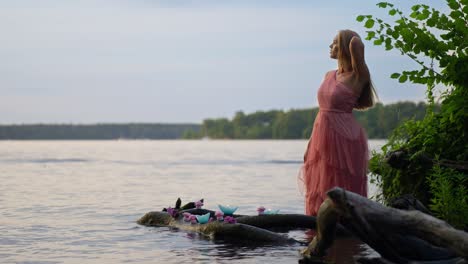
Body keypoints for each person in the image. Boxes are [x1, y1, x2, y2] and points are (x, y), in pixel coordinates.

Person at [298, 29, 378, 216]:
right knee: (320, 185)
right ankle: (318, 230)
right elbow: (322, 113)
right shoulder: (328, 75)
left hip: (345, 137)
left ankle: (348, 233)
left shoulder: (358, 75)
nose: (330, 46)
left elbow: (357, 43)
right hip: (321, 136)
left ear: (344, 47)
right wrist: (310, 144)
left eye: (334, 43)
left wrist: (347, 37)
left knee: (342, 185)